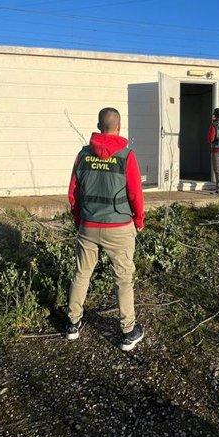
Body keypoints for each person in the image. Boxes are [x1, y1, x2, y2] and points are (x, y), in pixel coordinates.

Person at [65, 107, 145, 351]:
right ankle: (128, 331)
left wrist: (78, 220)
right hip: (119, 228)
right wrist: (139, 221)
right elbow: (135, 194)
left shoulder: (83, 155)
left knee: (81, 274)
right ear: (118, 127)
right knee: (123, 279)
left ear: (99, 127)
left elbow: (73, 193)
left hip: (88, 226)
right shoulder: (127, 156)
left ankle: (72, 324)